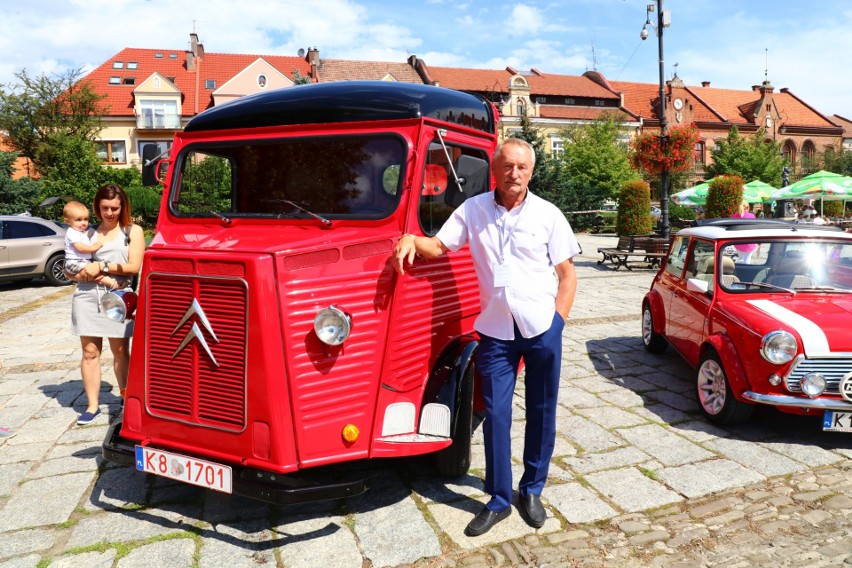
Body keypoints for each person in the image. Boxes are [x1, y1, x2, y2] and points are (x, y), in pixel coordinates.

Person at [392, 138, 579, 536]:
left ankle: (531, 490)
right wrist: (410, 238)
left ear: (531, 172)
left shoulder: (548, 215)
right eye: (508, 166)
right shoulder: (474, 210)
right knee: (495, 416)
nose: (515, 174)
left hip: (542, 328)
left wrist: (557, 324)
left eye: (522, 167)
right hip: (495, 331)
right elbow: (439, 246)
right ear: (495, 170)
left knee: (542, 410)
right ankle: (498, 499)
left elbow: (567, 275)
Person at [70, 184, 145, 425]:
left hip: (117, 296)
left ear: (123, 206)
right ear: (97, 207)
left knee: (120, 350)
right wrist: (75, 274)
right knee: (89, 352)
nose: (109, 213)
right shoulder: (87, 233)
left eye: (114, 208)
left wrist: (102, 266)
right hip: (87, 295)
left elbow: (134, 267)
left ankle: (126, 398)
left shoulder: (132, 231)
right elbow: (71, 263)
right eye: (104, 208)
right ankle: (92, 406)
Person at [62, 201, 106, 277]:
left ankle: (115, 283)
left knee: (97, 272)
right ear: (67, 221)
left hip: (81, 262)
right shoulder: (72, 232)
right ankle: (113, 284)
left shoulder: (80, 232)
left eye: (85, 219)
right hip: (75, 262)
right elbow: (80, 248)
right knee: (95, 272)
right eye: (79, 220)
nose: (83, 223)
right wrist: (94, 247)